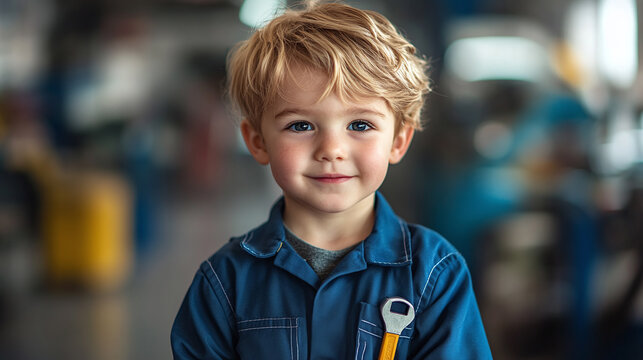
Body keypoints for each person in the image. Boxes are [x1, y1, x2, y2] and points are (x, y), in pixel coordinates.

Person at [171, 1, 492, 359]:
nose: (332, 149)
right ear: (257, 141)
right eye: (301, 125)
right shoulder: (223, 283)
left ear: (398, 140)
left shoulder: (434, 275)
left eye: (360, 125)